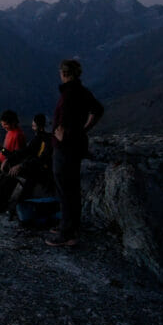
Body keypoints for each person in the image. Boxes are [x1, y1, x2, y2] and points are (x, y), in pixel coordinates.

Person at [47, 59, 103, 247]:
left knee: (65, 187)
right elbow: (98, 110)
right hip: (76, 144)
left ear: (64, 73)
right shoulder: (82, 91)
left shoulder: (69, 93)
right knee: (71, 187)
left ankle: (66, 233)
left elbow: (67, 119)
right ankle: (71, 225)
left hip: (65, 147)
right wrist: (84, 130)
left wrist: (67, 134)